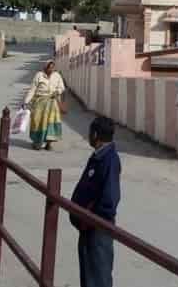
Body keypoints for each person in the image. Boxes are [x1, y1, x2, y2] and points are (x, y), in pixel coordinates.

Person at [71, 116, 121, 287]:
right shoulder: (99, 156)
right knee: (88, 275)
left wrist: (91, 219)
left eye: (90, 132)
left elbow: (110, 199)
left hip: (97, 230)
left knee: (98, 277)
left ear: (96, 134)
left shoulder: (110, 161)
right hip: (87, 228)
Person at [24, 60, 66, 151]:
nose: (51, 69)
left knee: (51, 124)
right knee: (37, 122)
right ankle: (37, 143)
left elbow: (62, 87)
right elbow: (32, 89)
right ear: (45, 67)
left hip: (52, 103)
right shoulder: (39, 75)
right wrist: (26, 102)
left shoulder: (57, 76)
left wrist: (57, 92)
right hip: (39, 103)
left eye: (52, 67)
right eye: (49, 67)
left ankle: (48, 144)